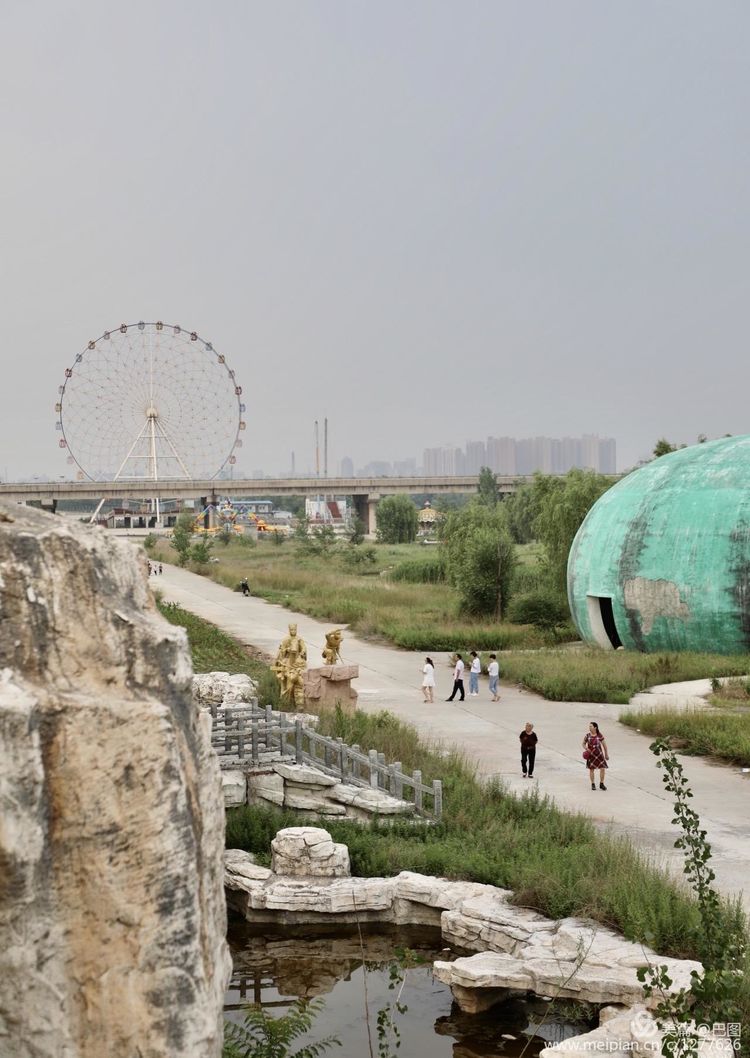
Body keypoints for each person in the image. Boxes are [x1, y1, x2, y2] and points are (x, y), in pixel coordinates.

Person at [583, 721, 609, 790]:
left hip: (599, 755)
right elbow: (583, 743)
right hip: (591, 755)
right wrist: (586, 748)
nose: (589, 727)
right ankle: (593, 784)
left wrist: (606, 754)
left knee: (602, 768)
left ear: (595, 727)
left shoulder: (599, 735)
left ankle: (601, 783)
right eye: (589, 726)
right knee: (591, 769)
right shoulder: (587, 735)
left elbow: (604, 746)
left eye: (591, 726)